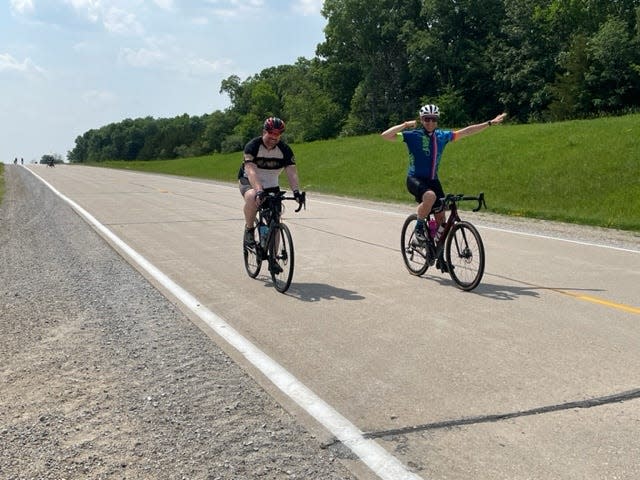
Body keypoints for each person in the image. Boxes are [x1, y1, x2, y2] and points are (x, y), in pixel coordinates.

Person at [381, 104, 506, 271]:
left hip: (433, 180)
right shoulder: (414, 135)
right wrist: (405, 124)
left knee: (442, 218)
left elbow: (467, 131)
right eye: (426, 119)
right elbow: (385, 136)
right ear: (421, 120)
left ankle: (438, 256)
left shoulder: (442, 136)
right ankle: (419, 228)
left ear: (437, 120)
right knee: (430, 197)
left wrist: (489, 122)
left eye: (433, 119)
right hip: (415, 179)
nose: (430, 122)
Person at [238, 117, 303, 247]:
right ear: (264, 131)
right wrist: (259, 190)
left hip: (271, 184)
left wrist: (296, 192)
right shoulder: (253, 146)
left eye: (278, 134)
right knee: (252, 197)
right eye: (271, 133)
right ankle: (249, 229)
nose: (274, 137)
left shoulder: (284, 150)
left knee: (275, 220)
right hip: (249, 180)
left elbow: (292, 172)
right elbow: (250, 170)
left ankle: (274, 259)